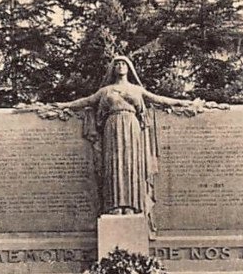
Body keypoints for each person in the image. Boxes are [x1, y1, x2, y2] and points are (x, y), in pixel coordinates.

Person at [56, 55, 194, 217]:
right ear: (113, 69)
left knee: (131, 164)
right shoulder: (105, 91)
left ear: (129, 68)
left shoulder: (137, 90)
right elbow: (86, 101)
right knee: (114, 165)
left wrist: (182, 102)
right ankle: (113, 206)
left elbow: (159, 100)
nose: (120, 66)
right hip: (112, 126)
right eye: (117, 64)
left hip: (131, 125)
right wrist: (63, 105)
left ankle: (132, 206)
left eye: (123, 64)